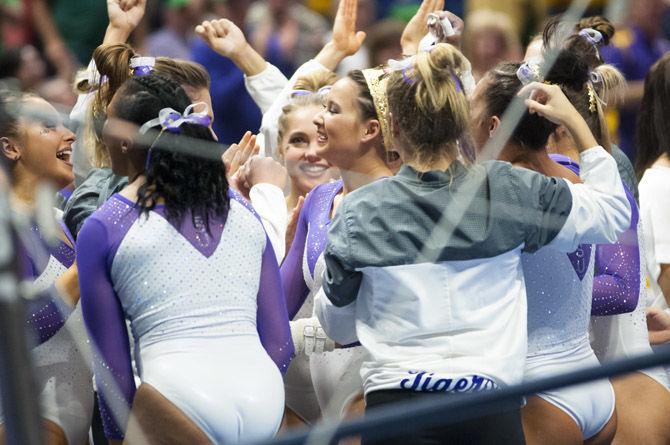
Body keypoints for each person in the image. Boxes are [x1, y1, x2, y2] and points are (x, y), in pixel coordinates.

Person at [316, 42, 630, 444]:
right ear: (461, 123)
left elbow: (339, 325)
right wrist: (578, 125)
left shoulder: (358, 211)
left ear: (393, 126)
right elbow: (612, 214)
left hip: (397, 411)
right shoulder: (509, 189)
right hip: (490, 410)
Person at [76, 74, 293, 443]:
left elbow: (113, 373)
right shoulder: (243, 210)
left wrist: (120, 437)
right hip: (263, 393)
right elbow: (280, 343)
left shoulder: (105, 226)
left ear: (126, 139)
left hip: (178, 395)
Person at [472, 48, 618, 442]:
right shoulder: (574, 176)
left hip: (539, 388)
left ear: (493, 126)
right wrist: (574, 119)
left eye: (470, 108)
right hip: (591, 380)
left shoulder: (503, 193)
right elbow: (616, 207)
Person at [0, 91, 93, 445]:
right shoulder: (7, 227)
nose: (67, 134)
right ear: (11, 148)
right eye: (48, 126)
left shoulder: (57, 219)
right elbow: (14, 332)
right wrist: (85, 267)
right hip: (25, 420)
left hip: (75, 417)